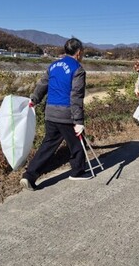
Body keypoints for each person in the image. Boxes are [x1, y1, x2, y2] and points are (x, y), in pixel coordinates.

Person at [20, 38, 90, 191]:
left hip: (50, 112)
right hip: (66, 114)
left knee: (48, 145)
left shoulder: (53, 65)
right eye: (82, 52)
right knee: (77, 143)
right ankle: (77, 172)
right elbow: (76, 96)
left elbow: (42, 84)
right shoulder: (78, 69)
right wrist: (78, 121)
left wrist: (35, 99)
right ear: (78, 53)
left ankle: (29, 176)